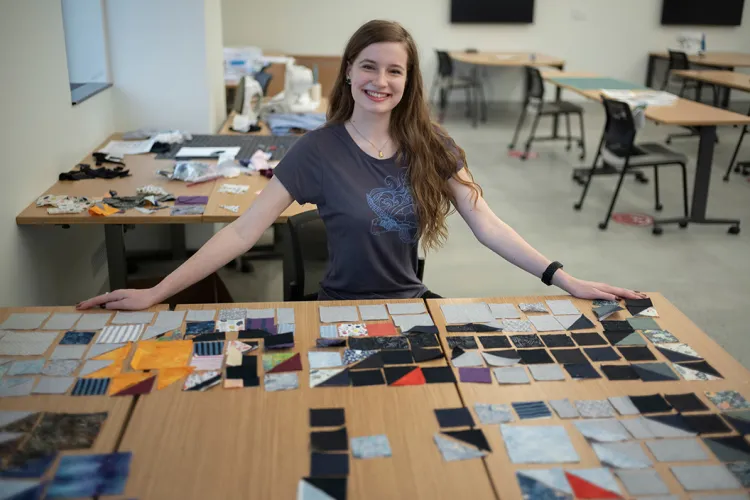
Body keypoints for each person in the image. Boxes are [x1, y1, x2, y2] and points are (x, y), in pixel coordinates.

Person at [78, 20, 643, 311]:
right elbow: (245, 230)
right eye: (369, 67)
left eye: (395, 71)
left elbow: (488, 224)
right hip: (338, 311)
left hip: (412, 306)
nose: (381, 81)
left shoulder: (434, 144)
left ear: (408, 80)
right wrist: (157, 293)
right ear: (349, 71)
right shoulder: (315, 151)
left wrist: (565, 279)